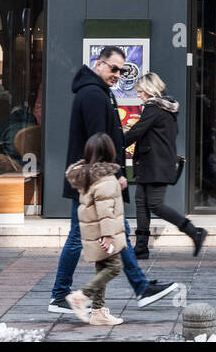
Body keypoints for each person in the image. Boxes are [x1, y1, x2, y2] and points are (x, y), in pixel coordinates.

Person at [48, 46, 180, 315]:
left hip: (91, 179)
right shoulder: (94, 95)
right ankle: (61, 294)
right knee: (82, 236)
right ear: (99, 64)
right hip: (93, 181)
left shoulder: (98, 93)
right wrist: (115, 174)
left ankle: (139, 288)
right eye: (113, 68)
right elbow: (100, 141)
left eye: (122, 70)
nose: (117, 74)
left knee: (116, 233)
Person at [123, 73, 207, 259]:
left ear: (148, 90)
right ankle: (141, 248)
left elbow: (137, 131)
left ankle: (194, 231)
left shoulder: (154, 108)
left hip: (156, 165)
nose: (138, 95)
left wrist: (117, 140)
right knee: (141, 203)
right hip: (151, 164)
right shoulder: (166, 109)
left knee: (154, 204)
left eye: (139, 91)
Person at [62, 132, 129, 327]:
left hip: (94, 233)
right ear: (110, 151)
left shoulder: (89, 177)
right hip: (103, 234)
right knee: (115, 267)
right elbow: (106, 212)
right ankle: (82, 296)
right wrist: (108, 236)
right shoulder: (105, 180)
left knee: (102, 268)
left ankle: (98, 312)